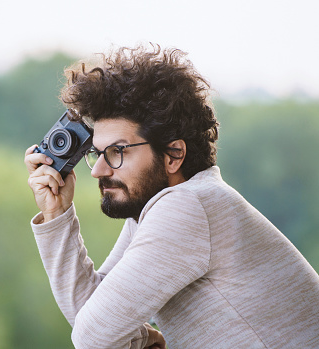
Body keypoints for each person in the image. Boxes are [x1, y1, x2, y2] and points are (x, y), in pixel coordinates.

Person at [24, 44, 319, 349]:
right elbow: (92, 314)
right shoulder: (168, 206)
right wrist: (56, 214)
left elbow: (93, 337)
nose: (97, 170)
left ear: (174, 155)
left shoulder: (187, 207)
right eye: (97, 153)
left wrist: (142, 340)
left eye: (116, 152)